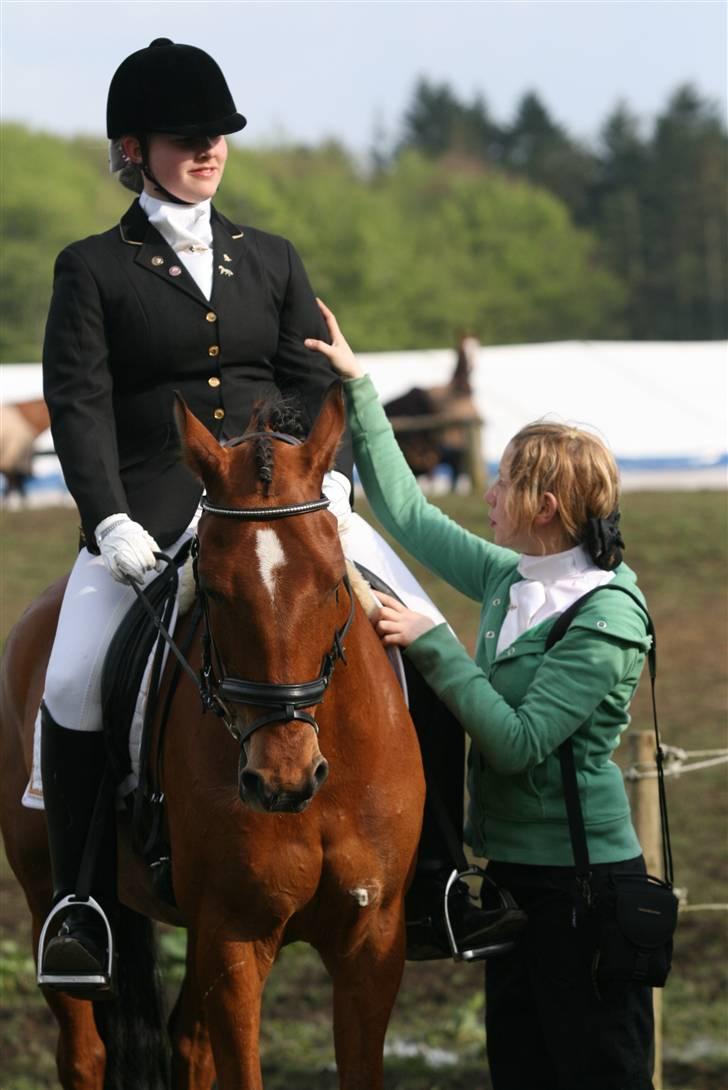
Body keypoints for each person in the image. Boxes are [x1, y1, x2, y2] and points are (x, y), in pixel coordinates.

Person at [37, 38, 497, 993]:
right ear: (134, 149)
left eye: (216, 137)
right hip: (153, 509)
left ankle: (445, 879)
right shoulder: (91, 269)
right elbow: (79, 403)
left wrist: (311, 475)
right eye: (183, 138)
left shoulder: (272, 258)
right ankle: (83, 905)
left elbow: (298, 376)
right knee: (74, 679)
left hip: (287, 503)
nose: (205, 151)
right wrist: (107, 519)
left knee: (427, 639)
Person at [306, 300, 656, 1090]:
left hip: (585, 891)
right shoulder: (515, 575)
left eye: (502, 483)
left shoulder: (605, 616)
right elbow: (404, 513)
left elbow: (517, 742)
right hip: (513, 885)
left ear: (544, 508)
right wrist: (359, 385)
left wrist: (431, 640)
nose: (487, 494)